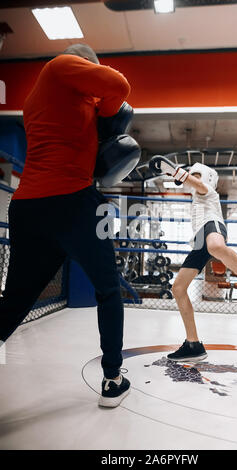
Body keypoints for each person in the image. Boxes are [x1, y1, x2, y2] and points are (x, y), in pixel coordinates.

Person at [0, 44, 131, 407]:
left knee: (16, 300)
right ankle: (112, 378)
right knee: (108, 289)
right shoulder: (61, 66)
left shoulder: (36, 100)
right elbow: (119, 86)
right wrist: (104, 106)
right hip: (74, 201)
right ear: (84, 65)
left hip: (28, 206)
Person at [149, 157, 237, 363]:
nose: (193, 180)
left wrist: (174, 171)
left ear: (206, 178)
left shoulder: (208, 191)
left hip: (212, 226)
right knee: (178, 288)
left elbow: (197, 184)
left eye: (197, 176)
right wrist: (175, 174)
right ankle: (193, 344)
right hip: (199, 238)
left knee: (216, 247)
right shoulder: (196, 198)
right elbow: (192, 184)